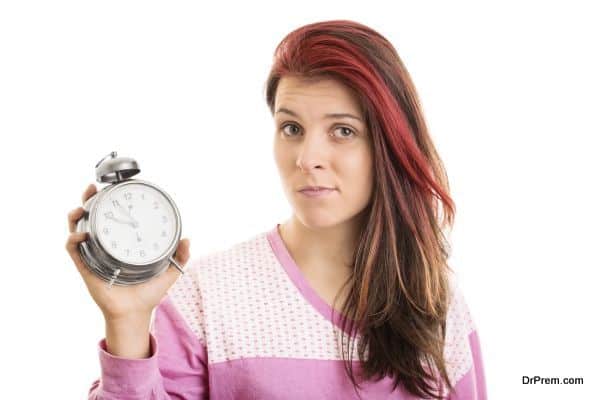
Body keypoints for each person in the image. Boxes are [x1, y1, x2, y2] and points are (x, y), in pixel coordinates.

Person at [65, 19, 487, 400]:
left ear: (390, 146)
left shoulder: (436, 303)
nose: (307, 157)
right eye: (292, 128)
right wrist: (128, 322)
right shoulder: (205, 296)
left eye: (343, 131)